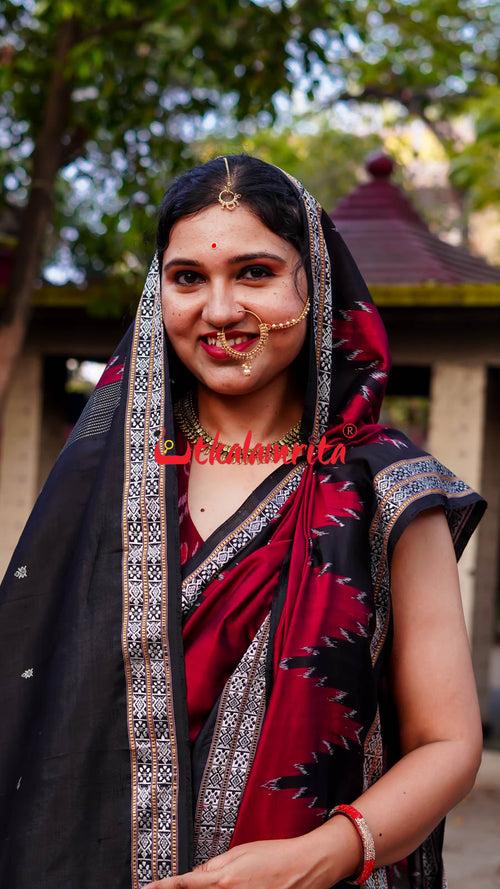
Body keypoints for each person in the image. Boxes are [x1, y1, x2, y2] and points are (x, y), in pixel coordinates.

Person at [0, 154, 487, 889]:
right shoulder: (106, 482)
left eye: (254, 272)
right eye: (188, 277)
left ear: (313, 284)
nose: (220, 310)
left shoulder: (382, 486)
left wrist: (319, 855)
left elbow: (447, 741)